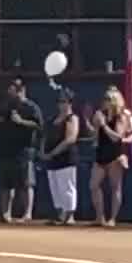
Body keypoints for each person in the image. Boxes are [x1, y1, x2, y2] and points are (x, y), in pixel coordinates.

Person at [0, 77, 42, 224]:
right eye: (11, 90)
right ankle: (5, 214)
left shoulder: (31, 107)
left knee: (26, 184)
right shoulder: (6, 106)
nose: (12, 93)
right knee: (6, 184)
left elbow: (39, 126)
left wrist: (21, 122)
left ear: (22, 90)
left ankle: (27, 214)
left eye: (15, 90)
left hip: (24, 151)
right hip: (6, 149)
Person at [89, 87, 132, 228]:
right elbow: (95, 135)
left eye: (108, 99)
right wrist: (94, 124)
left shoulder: (121, 116)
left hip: (115, 155)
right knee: (93, 185)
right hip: (101, 154)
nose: (105, 102)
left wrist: (104, 125)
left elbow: (117, 138)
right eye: (104, 99)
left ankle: (113, 218)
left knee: (115, 187)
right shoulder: (101, 114)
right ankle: (99, 216)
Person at [42, 92, 80, 225]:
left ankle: (69, 215)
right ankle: (60, 214)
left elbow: (71, 138)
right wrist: (44, 153)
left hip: (66, 158)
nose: (61, 105)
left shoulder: (72, 118)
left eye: (64, 102)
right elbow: (45, 137)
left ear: (70, 103)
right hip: (52, 159)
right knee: (55, 187)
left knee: (67, 187)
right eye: (59, 102)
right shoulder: (53, 118)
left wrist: (53, 153)